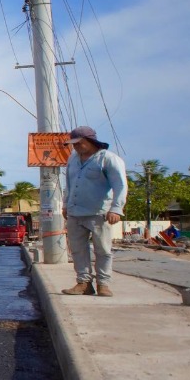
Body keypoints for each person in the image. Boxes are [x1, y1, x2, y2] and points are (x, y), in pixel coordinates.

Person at [62, 125, 127, 297]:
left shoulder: (108, 159)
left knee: (103, 250)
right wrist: (65, 204)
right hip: (75, 212)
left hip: (99, 213)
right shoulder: (73, 159)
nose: (75, 147)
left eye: (79, 143)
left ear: (91, 141)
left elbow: (120, 185)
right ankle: (83, 283)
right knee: (77, 249)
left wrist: (116, 208)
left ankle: (103, 284)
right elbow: (68, 184)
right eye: (73, 144)